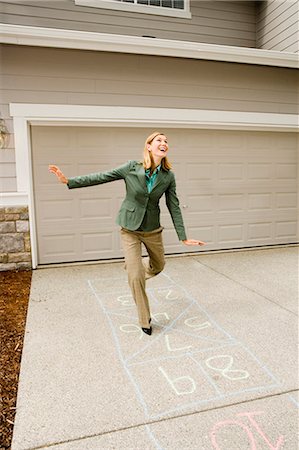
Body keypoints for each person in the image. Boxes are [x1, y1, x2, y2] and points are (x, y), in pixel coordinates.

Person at [49, 132, 206, 336]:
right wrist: (68, 181)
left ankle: (135, 270)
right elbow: (101, 177)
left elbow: (173, 205)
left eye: (166, 141)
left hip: (152, 230)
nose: (164, 143)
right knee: (135, 276)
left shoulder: (168, 176)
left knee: (158, 265)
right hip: (129, 229)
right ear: (148, 146)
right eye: (159, 140)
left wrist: (183, 236)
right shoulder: (131, 167)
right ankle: (144, 318)